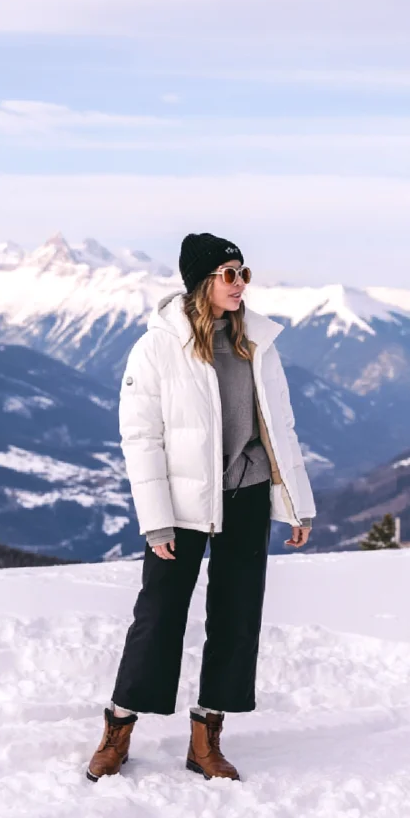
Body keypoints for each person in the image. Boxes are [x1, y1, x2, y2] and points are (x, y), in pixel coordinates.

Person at [86, 232, 317, 782]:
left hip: (247, 493)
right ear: (201, 282)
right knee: (159, 614)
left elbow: (280, 428)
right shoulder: (157, 348)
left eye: (244, 273)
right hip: (182, 503)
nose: (240, 284)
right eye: (229, 274)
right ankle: (118, 728)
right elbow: (141, 439)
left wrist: (297, 505)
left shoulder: (258, 343)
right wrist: (156, 521)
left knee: (237, 617)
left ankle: (205, 739)